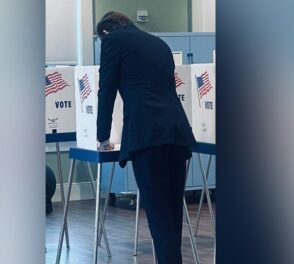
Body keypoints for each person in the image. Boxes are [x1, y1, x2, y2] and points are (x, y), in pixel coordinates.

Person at [96, 11, 196, 264]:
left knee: (159, 215)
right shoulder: (159, 43)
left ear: (106, 32)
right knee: (172, 215)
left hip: (147, 134)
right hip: (176, 131)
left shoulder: (112, 41)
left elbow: (105, 91)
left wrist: (102, 137)